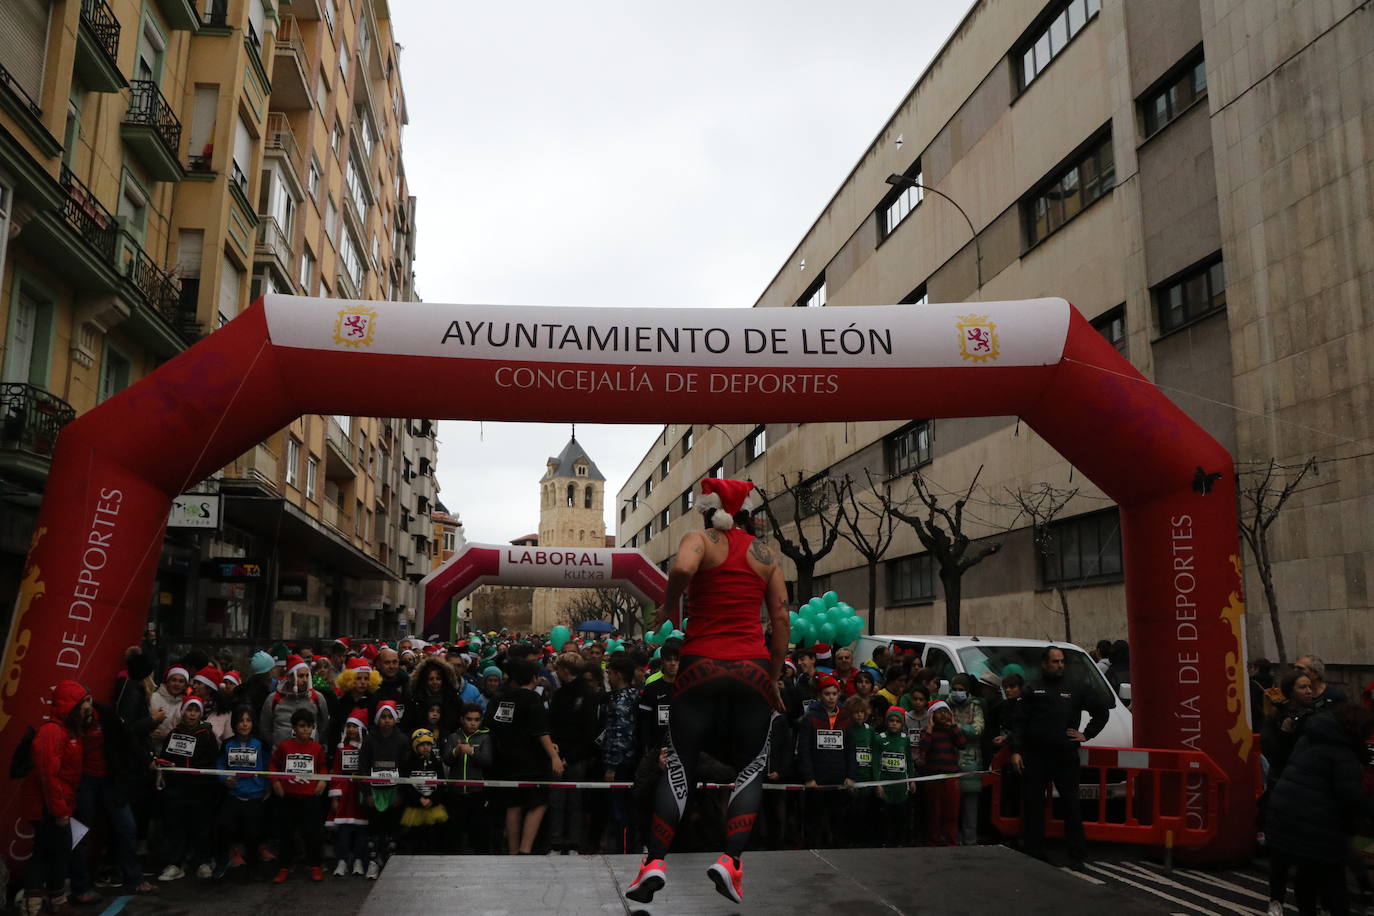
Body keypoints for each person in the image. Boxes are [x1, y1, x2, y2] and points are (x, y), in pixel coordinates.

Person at [626, 477, 788, 906]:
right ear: (747, 513)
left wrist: (668, 603)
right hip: (752, 668)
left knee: (681, 762)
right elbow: (781, 623)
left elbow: (680, 569)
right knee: (751, 766)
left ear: (707, 510)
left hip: (700, 665)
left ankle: (655, 862)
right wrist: (772, 678)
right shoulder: (767, 554)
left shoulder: (699, 539)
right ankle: (730, 860)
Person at [1265, 704, 1374, 916]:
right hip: (1314, 825)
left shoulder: (1310, 737)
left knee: (1306, 878)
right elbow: (1351, 795)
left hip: (1285, 816)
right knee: (1333, 883)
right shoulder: (1342, 753)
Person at [1008, 646, 1109, 867]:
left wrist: (1087, 734)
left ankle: (1077, 855)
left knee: (1071, 804)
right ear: (1044, 664)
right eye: (1055, 662)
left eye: (1062, 661)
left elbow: (1102, 711)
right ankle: (1033, 850)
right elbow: (1019, 722)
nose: (1060, 665)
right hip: (1036, 756)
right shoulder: (1033, 688)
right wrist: (1016, 750)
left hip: (1064, 755)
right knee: (1033, 803)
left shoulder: (1076, 686)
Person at [485, 657, 565, 855]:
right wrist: (554, 756)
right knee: (538, 802)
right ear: (534, 677)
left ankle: (512, 851)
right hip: (532, 763)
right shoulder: (532, 699)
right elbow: (540, 731)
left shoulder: (499, 698)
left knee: (513, 805)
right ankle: (525, 849)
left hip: (505, 760)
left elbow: (491, 725)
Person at [22, 680, 88, 916]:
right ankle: (37, 904)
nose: (88, 708)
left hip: (57, 803)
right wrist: (59, 811)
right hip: (48, 806)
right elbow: (48, 775)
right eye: (84, 703)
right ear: (72, 706)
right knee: (45, 852)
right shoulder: (52, 732)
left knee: (57, 852)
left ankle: (51, 900)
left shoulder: (68, 730)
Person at [156, 696, 220, 880]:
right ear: (183, 712)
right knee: (176, 826)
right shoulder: (173, 733)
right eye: (189, 710)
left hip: (200, 790)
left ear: (200, 713)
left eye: (196, 710)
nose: (192, 714)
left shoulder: (207, 735)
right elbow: (165, 756)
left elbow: (213, 760)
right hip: (176, 790)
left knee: (201, 826)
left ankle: (203, 861)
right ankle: (175, 863)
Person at [269, 708, 328, 883]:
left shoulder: (317, 748)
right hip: (288, 798)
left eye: (309, 726)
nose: (306, 730)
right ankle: (283, 867)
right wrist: (275, 782)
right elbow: (272, 765)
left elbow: (324, 767)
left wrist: (323, 781)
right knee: (286, 835)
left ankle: (315, 866)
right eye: (302, 726)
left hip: (310, 799)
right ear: (294, 727)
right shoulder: (285, 746)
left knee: (312, 835)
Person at [547, 653, 598, 855]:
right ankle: (556, 841)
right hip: (558, 754)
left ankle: (573, 841)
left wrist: (572, 757)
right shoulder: (559, 694)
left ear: (566, 670)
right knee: (557, 800)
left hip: (577, 757)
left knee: (575, 800)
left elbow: (589, 731)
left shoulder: (586, 694)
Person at [796, 675, 852, 847]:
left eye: (834, 694)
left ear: (839, 694)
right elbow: (803, 750)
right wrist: (808, 777)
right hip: (817, 777)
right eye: (827, 694)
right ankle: (812, 849)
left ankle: (838, 848)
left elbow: (851, 749)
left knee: (839, 819)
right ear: (820, 695)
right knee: (814, 819)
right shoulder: (810, 718)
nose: (831, 697)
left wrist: (851, 775)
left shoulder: (845, 717)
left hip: (839, 777)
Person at [216, 705, 270, 880]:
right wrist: (225, 779)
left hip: (255, 796)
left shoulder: (260, 744)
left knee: (253, 835)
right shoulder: (227, 744)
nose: (244, 724)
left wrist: (268, 786)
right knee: (224, 828)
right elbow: (220, 766)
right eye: (240, 721)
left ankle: (253, 867)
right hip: (234, 795)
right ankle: (222, 864)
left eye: (248, 720)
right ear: (234, 724)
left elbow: (269, 767)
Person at [359, 700, 408, 878]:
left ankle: (390, 862)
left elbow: (405, 768)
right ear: (378, 719)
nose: (386, 720)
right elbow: (362, 767)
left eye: (390, 717)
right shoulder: (369, 740)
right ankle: (373, 861)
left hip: (393, 793)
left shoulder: (402, 740)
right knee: (374, 828)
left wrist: (400, 793)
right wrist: (366, 793)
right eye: (383, 717)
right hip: (374, 793)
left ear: (395, 719)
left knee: (392, 829)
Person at [443, 703, 493, 854]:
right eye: (469, 719)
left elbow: (487, 761)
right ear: (461, 719)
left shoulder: (485, 738)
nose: (473, 723)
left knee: (478, 832)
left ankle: (481, 860)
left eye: (476, 720)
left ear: (481, 720)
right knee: (454, 831)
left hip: (476, 793)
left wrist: (471, 751)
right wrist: (456, 751)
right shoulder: (453, 737)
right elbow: (446, 760)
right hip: (455, 793)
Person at [327, 707, 369, 875]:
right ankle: (342, 860)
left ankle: (359, 860)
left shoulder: (367, 748)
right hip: (344, 795)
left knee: (361, 830)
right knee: (343, 830)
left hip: (359, 794)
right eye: (348, 726)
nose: (351, 729)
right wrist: (335, 796)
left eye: (354, 726)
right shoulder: (341, 748)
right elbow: (336, 772)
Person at [259, 655, 331, 749]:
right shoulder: (273, 699)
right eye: (300, 676)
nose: (305, 680)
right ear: (289, 677)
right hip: (281, 754)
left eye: (307, 675)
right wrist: (276, 745)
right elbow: (265, 728)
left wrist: (316, 743)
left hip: (310, 753)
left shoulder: (317, 697)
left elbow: (324, 725)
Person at [947, 672, 985, 845]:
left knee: (970, 805)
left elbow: (978, 730)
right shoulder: (946, 705)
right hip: (950, 760)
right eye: (954, 689)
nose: (957, 692)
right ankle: (952, 839)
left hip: (971, 761)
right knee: (952, 805)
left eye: (961, 689)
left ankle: (970, 840)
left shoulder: (975, 706)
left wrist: (955, 727)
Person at [922, 699, 965, 847]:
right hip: (933, 777)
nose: (943, 715)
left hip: (951, 778)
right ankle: (933, 841)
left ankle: (951, 842)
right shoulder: (928, 732)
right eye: (939, 712)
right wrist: (929, 729)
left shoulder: (951, 731)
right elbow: (924, 747)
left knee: (951, 813)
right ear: (932, 715)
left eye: (945, 711)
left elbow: (962, 744)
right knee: (935, 813)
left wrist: (953, 725)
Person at [399, 728, 448, 852]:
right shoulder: (409, 762)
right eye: (422, 745)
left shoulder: (436, 763)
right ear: (415, 746)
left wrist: (432, 799)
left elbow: (441, 784)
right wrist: (419, 799)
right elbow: (406, 784)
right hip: (415, 807)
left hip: (433, 807)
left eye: (428, 744)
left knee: (432, 838)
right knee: (416, 839)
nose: (426, 747)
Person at [874, 704, 913, 848]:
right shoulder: (879, 739)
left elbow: (909, 761)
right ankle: (886, 840)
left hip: (901, 785)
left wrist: (912, 781)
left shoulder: (905, 739)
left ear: (902, 724)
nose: (894, 724)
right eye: (891, 721)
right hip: (886, 784)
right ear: (886, 722)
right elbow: (876, 763)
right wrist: (878, 784)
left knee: (901, 814)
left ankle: (901, 841)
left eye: (897, 721)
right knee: (886, 815)